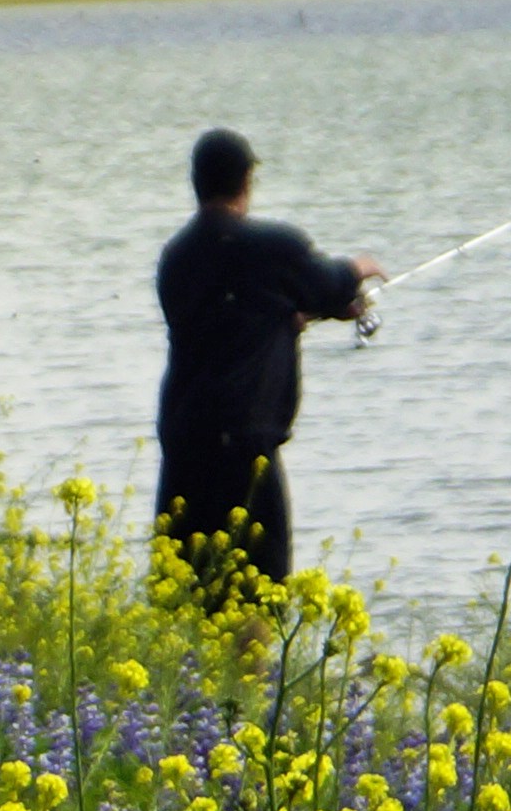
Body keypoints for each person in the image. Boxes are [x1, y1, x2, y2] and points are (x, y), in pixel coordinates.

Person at [152, 128, 380, 611]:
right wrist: (358, 267)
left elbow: (228, 320)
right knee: (259, 593)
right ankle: (253, 685)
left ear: (195, 183)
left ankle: (185, 684)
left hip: (184, 443)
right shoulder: (274, 247)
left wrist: (289, 318)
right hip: (244, 449)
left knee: (189, 593)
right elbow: (328, 284)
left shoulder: (175, 259)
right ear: (247, 180)